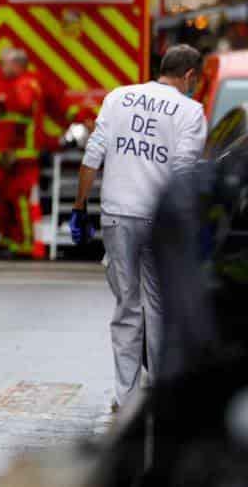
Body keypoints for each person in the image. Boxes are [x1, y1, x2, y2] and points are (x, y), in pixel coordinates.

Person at [71, 44, 207, 413]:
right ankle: (161, 396)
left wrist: (80, 207)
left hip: (116, 216)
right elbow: (184, 174)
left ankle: (126, 398)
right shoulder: (190, 111)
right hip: (159, 220)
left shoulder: (119, 98)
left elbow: (92, 156)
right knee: (160, 309)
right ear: (190, 76)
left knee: (126, 308)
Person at [0, 49, 43, 258]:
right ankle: (6, 238)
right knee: (6, 198)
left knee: (20, 200)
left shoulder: (26, 84)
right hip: (4, 155)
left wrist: (3, 101)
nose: (1, 67)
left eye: (5, 63)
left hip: (21, 155)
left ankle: (24, 244)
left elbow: (21, 109)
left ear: (17, 65)